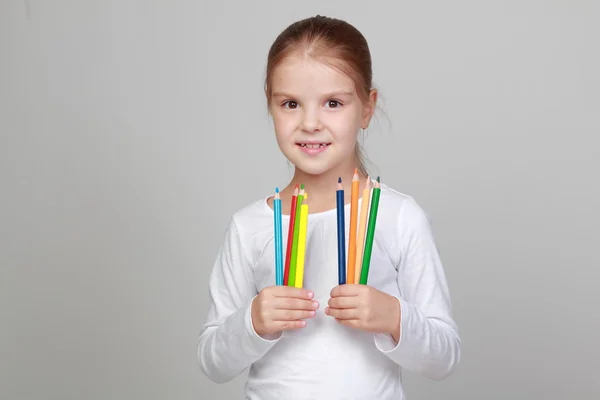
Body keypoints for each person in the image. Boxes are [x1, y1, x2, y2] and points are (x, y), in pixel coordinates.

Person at [197, 15, 461, 400]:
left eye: (333, 103)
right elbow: (212, 362)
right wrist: (252, 321)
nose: (310, 123)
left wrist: (392, 316)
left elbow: (444, 357)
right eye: (290, 104)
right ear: (271, 107)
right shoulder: (249, 227)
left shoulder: (399, 217)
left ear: (368, 108)